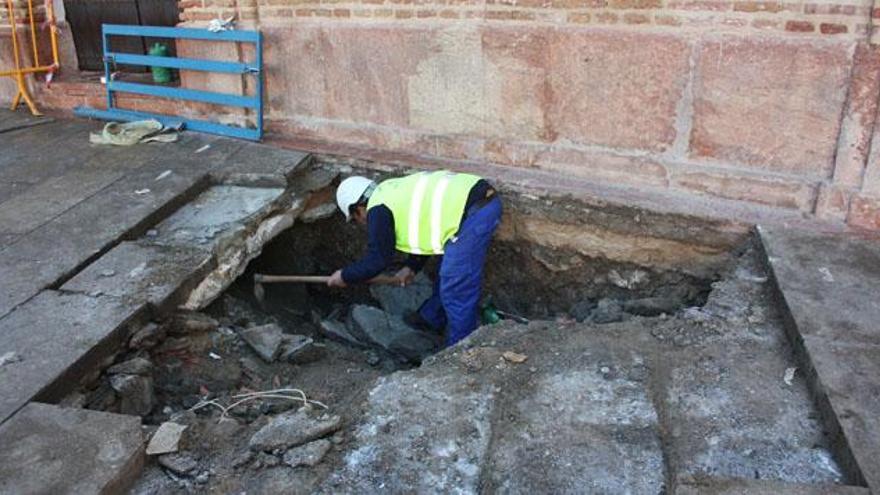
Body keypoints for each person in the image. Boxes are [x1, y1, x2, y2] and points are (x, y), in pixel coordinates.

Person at [327, 170, 502, 347]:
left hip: (476, 211)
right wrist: (411, 267)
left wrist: (345, 275)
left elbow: (377, 260)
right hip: (474, 200)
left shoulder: (378, 210)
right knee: (448, 272)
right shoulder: (389, 192)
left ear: (358, 209)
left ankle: (460, 352)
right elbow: (422, 228)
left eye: (356, 219)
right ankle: (430, 318)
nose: (362, 223)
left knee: (456, 285)